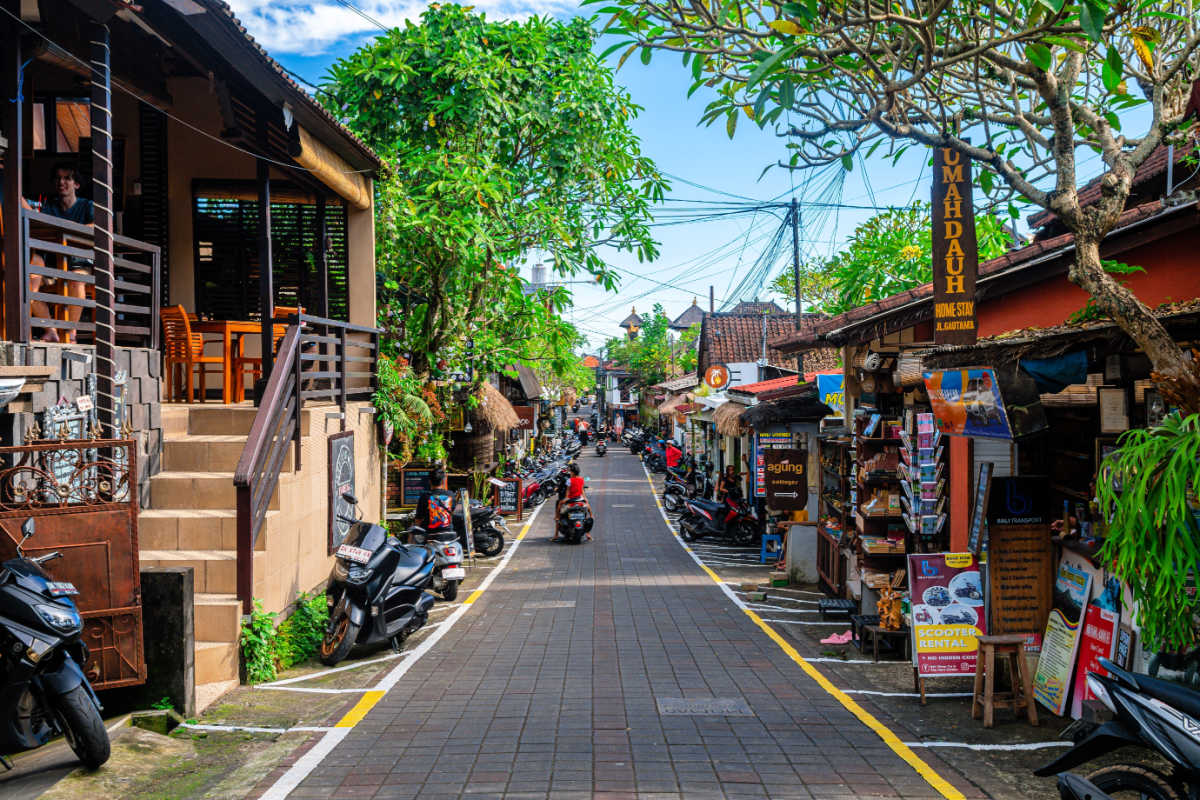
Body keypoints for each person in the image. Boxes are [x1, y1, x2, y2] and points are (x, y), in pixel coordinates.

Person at [32, 164, 94, 343]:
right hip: (52, 264)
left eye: (67, 178)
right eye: (58, 178)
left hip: (78, 262)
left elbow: (95, 228)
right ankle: (51, 330)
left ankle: (70, 333)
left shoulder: (87, 206)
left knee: (76, 278)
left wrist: (67, 231)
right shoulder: (49, 207)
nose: (62, 182)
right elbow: (38, 227)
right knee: (29, 279)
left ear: (76, 184)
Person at [414, 465, 456, 546]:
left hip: (431, 535)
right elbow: (452, 513)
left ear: (429, 481)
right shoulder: (451, 495)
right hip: (448, 533)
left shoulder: (425, 496)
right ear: (443, 481)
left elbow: (418, 519)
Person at [554, 462, 591, 541]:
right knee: (587, 512)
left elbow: (567, 492)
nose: (569, 472)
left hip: (571, 499)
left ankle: (556, 532)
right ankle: (588, 533)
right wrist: (585, 499)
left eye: (570, 471)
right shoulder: (581, 480)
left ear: (572, 472)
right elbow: (582, 492)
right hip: (580, 499)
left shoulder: (569, 480)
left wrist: (566, 498)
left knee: (559, 504)